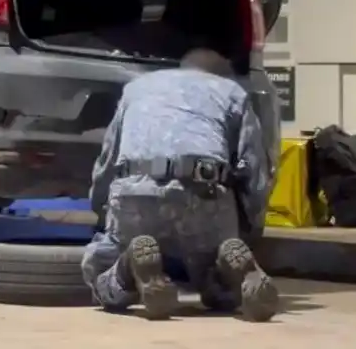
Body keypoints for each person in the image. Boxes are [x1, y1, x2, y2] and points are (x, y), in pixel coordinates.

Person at [82, 48, 277, 322]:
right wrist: (249, 228)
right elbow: (255, 174)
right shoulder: (233, 93)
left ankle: (128, 265)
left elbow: (107, 161)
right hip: (203, 193)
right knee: (219, 293)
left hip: (134, 193)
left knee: (101, 271)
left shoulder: (136, 89)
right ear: (221, 76)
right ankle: (224, 267)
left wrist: (103, 215)